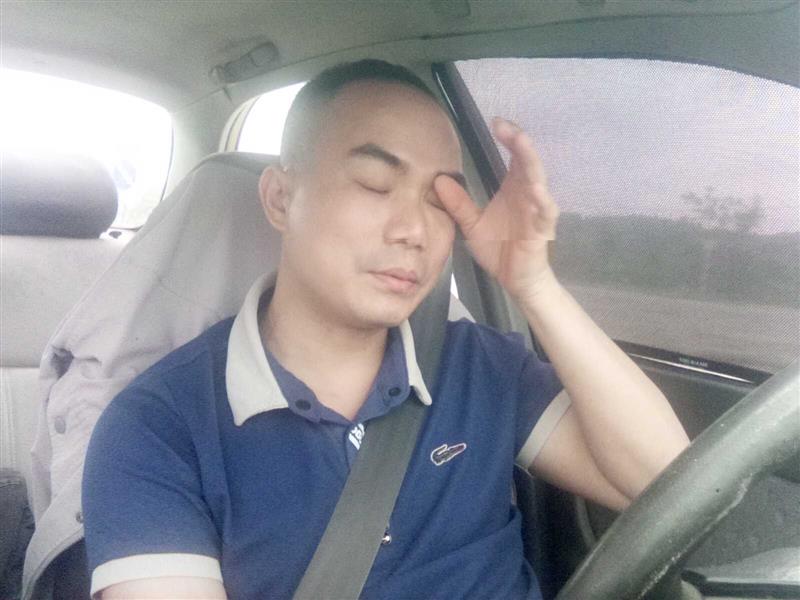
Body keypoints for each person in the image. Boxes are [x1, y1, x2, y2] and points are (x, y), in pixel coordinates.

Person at [82, 60, 689, 599]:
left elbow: (668, 487)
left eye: (440, 201)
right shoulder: (158, 426)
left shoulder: (480, 365)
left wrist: (533, 285)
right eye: (375, 184)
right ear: (281, 198)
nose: (414, 231)